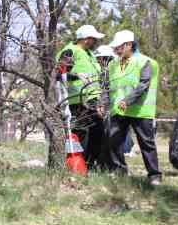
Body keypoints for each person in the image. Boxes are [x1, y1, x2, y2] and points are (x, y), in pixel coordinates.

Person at [103, 30, 161, 183]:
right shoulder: (112, 64)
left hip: (140, 111)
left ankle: (154, 175)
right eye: (115, 47)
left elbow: (143, 85)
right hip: (118, 110)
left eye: (119, 47)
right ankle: (119, 171)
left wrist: (127, 101)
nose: (116, 50)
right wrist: (103, 103)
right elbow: (107, 86)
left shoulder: (145, 62)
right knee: (114, 141)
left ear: (129, 45)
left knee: (146, 143)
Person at [56, 25, 107, 169]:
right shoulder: (70, 51)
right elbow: (59, 73)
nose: (96, 41)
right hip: (76, 101)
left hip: (92, 100)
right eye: (93, 38)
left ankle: (90, 164)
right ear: (85, 39)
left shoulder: (89, 54)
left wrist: (100, 101)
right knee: (80, 134)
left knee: (98, 132)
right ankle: (77, 165)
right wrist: (76, 76)